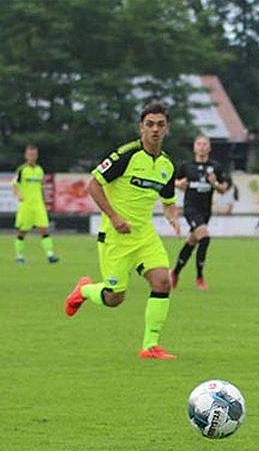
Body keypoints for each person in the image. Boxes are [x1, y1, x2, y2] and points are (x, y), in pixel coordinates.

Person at [64, 102, 181, 360]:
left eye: (160, 125)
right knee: (115, 298)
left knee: (163, 281)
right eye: (149, 124)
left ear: (167, 129)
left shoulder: (167, 166)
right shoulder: (126, 155)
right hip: (116, 236)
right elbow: (93, 184)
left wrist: (172, 215)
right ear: (141, 127)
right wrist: (114, 216)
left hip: (144, 235)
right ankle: (83, 290)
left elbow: (169, 200)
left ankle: (150, 346)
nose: (155, 129)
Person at [171, 135, 229, 290]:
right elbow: (173, 182)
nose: (202, 147)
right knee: (204, 237)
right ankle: (199, 277)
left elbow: (224, 188)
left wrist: (214, 183)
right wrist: (179, 184)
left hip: (205, 211)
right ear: (194, 147)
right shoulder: (186, 166)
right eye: (199, 144)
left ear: (209, 148)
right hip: (190, 209)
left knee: (191, 242)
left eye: (205, 144)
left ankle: (175, 272)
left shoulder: (215, 167)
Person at [12, 144, 58, 264]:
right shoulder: (22, 170)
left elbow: (41, 187)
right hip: (26, 205)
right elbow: (14, 185)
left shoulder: (39, 170)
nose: (32, 157)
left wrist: (43, 201)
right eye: (30, 154)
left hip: (38, 205)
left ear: (37, 156)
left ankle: (50, 254)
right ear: (26, 156)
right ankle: (19, 256)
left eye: (34, 154)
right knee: (22, 232)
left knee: (45, 229)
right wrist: (19, 195)